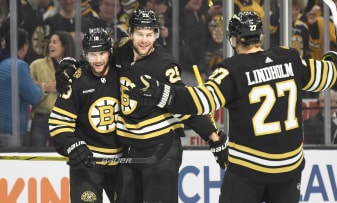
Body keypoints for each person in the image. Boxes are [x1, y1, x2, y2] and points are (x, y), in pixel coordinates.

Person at [128, 11, 337, 202]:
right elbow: (330, 74)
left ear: (234, 39)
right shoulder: (290, 58)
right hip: (289, 169)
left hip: (249, 171)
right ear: (260, 35)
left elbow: (200, 101)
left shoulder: (232, 70)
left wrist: (165, 94)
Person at [55, 8, 226, 203]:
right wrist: (70, 65)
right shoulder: (121, 50)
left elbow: (182, 104)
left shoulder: (164, 65)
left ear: (156, 35)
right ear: (130, 34)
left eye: (149, 34)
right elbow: (96, 57)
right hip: (130, 150)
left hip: (160, 148)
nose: (144, 40)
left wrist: (214, 138)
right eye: (139, 34)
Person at [48, 27, 123, 202]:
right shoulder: (75, 80)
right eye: (92, 54)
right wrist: (73, 146)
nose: (97, 60)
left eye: (102, 53)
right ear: (84, 54)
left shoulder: (123, 74)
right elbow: (58, 124)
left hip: (121, 165)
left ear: (110, 52)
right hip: (87, 165)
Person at [29, 31, 75, 147]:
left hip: (64, 120)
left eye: (54, 42)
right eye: (50, 42)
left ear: (64, 46)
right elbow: (28, 88)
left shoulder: (74, 68)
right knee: (36, 157)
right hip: (40, 118)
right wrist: (46, 87)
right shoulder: (36, 65)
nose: (50, 45)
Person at [0, 28, 42, 147]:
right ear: (25, 46)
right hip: (9, 131)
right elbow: (33, 96)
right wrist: (39, 86)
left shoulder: (3, 62)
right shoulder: (18, 65)